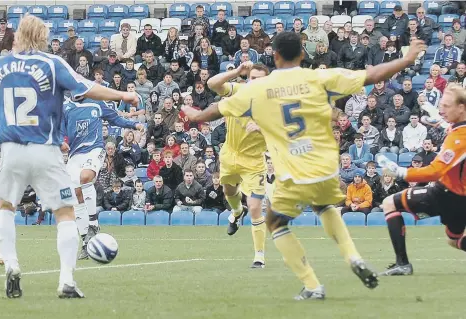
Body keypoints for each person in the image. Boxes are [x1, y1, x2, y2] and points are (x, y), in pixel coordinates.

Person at [181, 31, 427, 299]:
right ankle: (353, 257)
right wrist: (408, 58)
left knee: (275, 222)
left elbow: (219, 109)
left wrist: (196, 115)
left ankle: (312, 285)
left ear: (274, 55)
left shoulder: (258, 90)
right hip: (324, 166)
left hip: (292, 171)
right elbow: (373, 75)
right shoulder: (319, 77)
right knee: (324, 207)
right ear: (302, 54)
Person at [0, 14, 138, 299]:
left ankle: (11, 265)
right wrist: (122, 96)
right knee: (65, 213)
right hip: (45, 149)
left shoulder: (1, 65)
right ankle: (66, 280)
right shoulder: (52, 63)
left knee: (5, 207)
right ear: (42, 37)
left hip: (10, 150)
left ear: (18, 36)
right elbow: (87, 88)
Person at [182, 62, 270, 268]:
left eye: (260, 79)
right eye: (252, 78)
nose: (254, 82)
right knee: (229, 191)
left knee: (256, 207)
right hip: (230, 155)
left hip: (254, 161)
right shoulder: (239, 90)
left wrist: (262, 129)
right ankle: (238, 212)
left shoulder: (274, 105)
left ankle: (259, 256)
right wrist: (237, 71)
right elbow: (212, 83)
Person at [376, 83, 466, 276]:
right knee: (454, 239)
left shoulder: (460, 138)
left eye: (447, 106)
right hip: (460, 198)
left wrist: (401, 172)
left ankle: (402, 264)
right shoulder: (459, 128)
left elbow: (435, 171)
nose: (443, 109)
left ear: (461, 108)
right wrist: (438, 119)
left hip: (445, 193)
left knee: (389, 202)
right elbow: (451, 128)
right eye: (441, 105)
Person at [61, 97, 142, 259]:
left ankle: (93, 223)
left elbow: (116, 118)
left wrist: (134, 125)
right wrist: (60, 142)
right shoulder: (65, 106)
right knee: (75, 196)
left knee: (86, 177)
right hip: (74, 155)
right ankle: (85, 241)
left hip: (94, 150)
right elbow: (61, 130)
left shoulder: (97, 103)